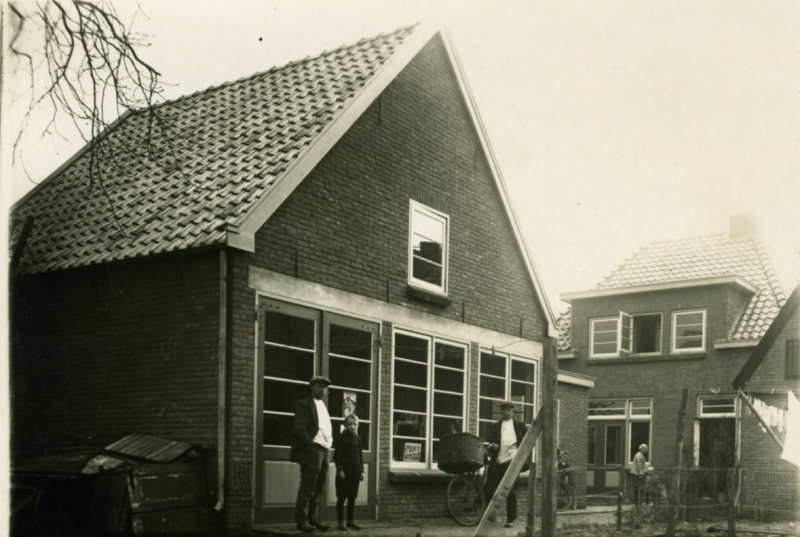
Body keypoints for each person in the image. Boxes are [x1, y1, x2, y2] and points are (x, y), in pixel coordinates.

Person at [291, 376, 334, 532]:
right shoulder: (304, 404)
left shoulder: (323, 405)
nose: (323, 389)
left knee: (319, 486)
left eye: (325, 387)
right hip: (313, 449)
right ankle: (301, 521)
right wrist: (311, 448)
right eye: (319, 386)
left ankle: (313, 519)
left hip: (325, 448)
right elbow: (299, 429)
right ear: (312, 387)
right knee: (308, 485)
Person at [484, 400, 527, 528]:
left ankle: (510, 519)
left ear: (513, 411)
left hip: (512, 461)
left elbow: (526, 443)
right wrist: (493, 446)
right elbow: (491, 442)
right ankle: (488, 517)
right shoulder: (496, 426)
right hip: (498, 460)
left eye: (509, 410)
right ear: (501, 411)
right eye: (504, 410)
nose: (506, 412)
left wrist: (521, 458)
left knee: (511, 491)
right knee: (490, 488)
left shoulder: (520, 425)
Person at [334, 413, 364, 532]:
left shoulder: (357, 438)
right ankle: (340, 522)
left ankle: (350, 521)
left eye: (355, 424)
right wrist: (339, 469)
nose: (352, 427)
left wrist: (361, 471)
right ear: (345, 425)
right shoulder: (342, 438)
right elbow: (337, 455)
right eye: (350, 424)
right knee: (342, 497)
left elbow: (360, 456)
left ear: (358, 425)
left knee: (352, 497)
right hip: (345, 472)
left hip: (355, 472)